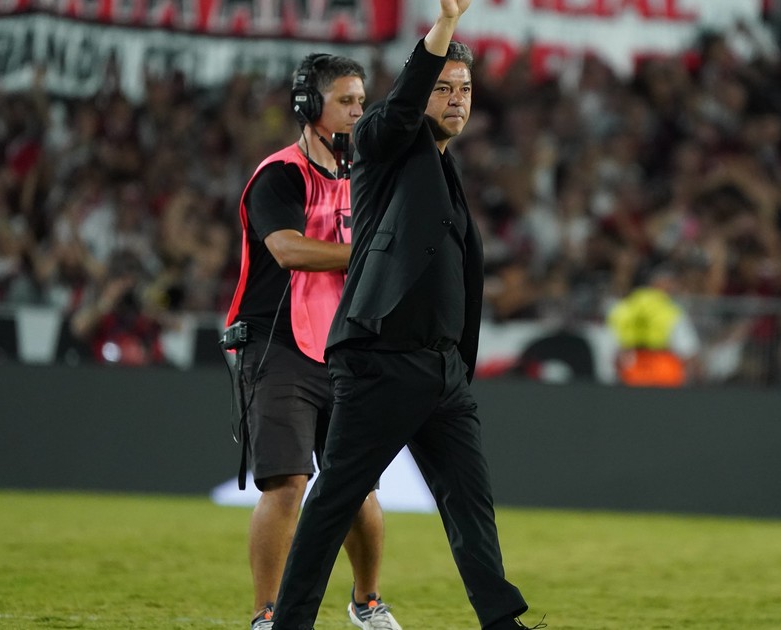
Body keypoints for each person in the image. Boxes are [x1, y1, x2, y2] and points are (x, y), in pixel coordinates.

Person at [271, 2, 542, 629]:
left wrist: (458, 364)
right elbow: (398, 109)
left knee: (470, 505)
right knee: (335, 501)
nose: (456, 99)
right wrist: (444, 26)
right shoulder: (381, 140)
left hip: (442, 371)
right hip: (382, 358)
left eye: (465, 89)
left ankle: (502, 622)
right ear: (418, 93)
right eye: (443, 87)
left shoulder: (445, 166)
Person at [221, 53, 403, 630]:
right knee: (286, 484)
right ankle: (267, 614)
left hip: (344, 346)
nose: (358, 111)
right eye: (346, 101)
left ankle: (367, 602)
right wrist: (367, 253)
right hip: (276, 345)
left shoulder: (366, 175)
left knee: (357, 489)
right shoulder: (278, 175)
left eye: (361, 101)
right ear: (308, 105)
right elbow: (286, 249)